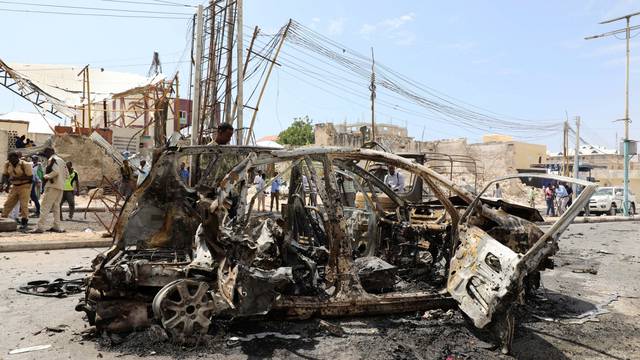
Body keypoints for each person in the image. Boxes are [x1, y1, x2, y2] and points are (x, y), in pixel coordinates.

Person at [33, 147, 68, 233]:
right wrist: (61, 180)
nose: (46, 155)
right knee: (56, 207)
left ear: (51, 152)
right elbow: (67, 174)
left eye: (47, 153)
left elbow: (55, 172)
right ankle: (57, 226)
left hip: (52, 186)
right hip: (60, 186)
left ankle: (40, 227)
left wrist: (46, 176)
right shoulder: (61, 160)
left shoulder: (52, 159)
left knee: (45, 206)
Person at [1, 152, 33, 230]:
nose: (11, 161)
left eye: (13, 160)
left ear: (17, 158)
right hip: (15, 186)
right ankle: (3, 219)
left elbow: (30, 178)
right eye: (10, 160)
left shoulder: (25, 164)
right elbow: (5, 175)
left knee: (23, 205)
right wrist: (4, 184)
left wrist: (16, 179)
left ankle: (24, 222)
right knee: (8, 203)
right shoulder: (8, 164)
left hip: (25, 186)